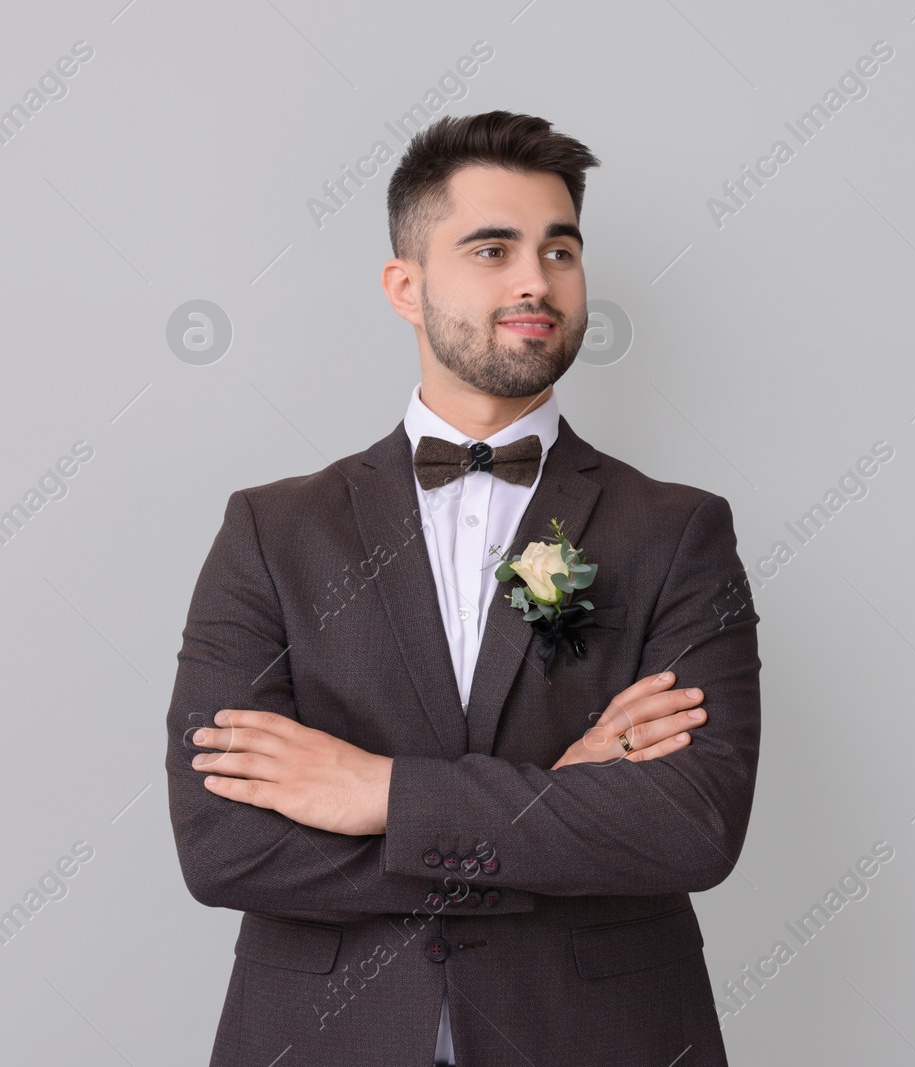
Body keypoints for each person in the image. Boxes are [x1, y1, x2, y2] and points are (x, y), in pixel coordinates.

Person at [164, 110, 761, 1066]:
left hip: (600, 1036)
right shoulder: (271, 533)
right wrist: (553, 811)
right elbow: (221, 843)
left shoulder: (679, 530)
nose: (537, 280)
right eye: (493, 247)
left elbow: (690, 827)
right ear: (406, 286)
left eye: (559, 248)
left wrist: (379, 792)